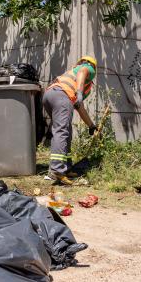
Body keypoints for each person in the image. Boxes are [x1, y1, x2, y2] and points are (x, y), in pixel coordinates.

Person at [43, 55, 98, 186]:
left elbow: (79, 106)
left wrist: (91, 125)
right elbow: (83, 71)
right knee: (62, 131)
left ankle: (66, 168)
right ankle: (56, 170)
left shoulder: (75, 76)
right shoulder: (87, 68)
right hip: (62, 95)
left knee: (66, 131)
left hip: (50, 95)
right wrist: (79, 92)